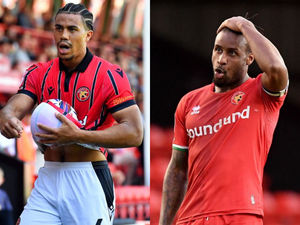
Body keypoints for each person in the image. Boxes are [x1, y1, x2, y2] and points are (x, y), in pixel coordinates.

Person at [0, 3, 143, 225]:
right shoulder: (39, 72)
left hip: (88, 178)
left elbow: (135, 132)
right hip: (49, 175)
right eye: (58, 28)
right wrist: (6, 116)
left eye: (72, 29)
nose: (63, 35)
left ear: (88, 35)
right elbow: (15, 106)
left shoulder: (109, 75)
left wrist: (77, 135)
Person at [159, 16, 288, 225]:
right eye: (218, 49)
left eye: (232, 53)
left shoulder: (262, 94)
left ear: (249, 59)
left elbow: (276, 68)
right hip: (191, 218)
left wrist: (245, 25)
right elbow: (177, 169)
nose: (221, 59)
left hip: (241, 215)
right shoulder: (189, 103)